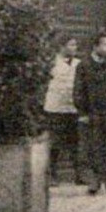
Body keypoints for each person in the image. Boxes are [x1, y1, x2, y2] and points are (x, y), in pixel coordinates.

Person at [72, 32, 106, 195]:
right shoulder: (84, 66)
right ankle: (94, 181)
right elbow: (78, 90)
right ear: (96, 47)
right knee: (93, 148)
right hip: (92, 114)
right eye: (105, 45)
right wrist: (82, 112)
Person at [43, 37, 81, 185]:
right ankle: (51, 175)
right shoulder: (52, 63)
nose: (74, 48)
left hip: (73, 108)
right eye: (71, 45)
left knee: (76, 143)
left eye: (75, 45)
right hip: (55, 108)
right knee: (55, 143)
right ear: (62, 47)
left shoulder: (79, 64)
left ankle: (79, 174)